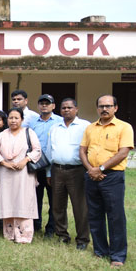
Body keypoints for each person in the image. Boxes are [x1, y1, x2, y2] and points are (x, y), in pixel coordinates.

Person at [80, 95, 134, 267]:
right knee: (94, 215)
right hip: (91, 176)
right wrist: (90, 169)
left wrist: (100, 169)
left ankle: (117, 256)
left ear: (115, 108)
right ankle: (100, 251)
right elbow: (82, 150)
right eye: (101, 106)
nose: (104, 109)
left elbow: (123, 152)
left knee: (115, 216)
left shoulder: (124, 127)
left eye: (108, 106)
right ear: (97, 108)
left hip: (112, 177)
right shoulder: (90, 128)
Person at [0, 108, 42, 244]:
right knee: (7, 200)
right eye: (11, 118)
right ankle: (9, 234)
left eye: (16, 118)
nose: (13, 120)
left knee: (23, 200)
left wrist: (24, 161)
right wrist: (5, 164)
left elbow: (37, 149)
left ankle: (24, 235)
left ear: (22, 119)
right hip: (6, 173)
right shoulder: (2, 135)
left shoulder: (28, 132)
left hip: (23, 173)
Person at [47, 98, 91, 249]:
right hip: (57, 170)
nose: (66, 110)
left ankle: (83, 239)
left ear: (76, 109)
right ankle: (62, 235)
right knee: (57, 205)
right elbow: (49, 150)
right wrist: (49, 172)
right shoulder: (55, 127)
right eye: (63, 108)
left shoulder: (85, 126)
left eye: (69, 107)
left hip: (77, 171)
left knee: (80, 206)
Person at [28, 94, 62, 238]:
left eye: (47, 103)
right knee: (35, 197)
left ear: (53, 106)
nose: (44, 106)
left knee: (54, 199)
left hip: (53, 166)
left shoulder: (59, 122)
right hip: (36, 165)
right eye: (41, 103)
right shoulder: (33, 122)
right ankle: (36, 225)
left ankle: (51, 228)